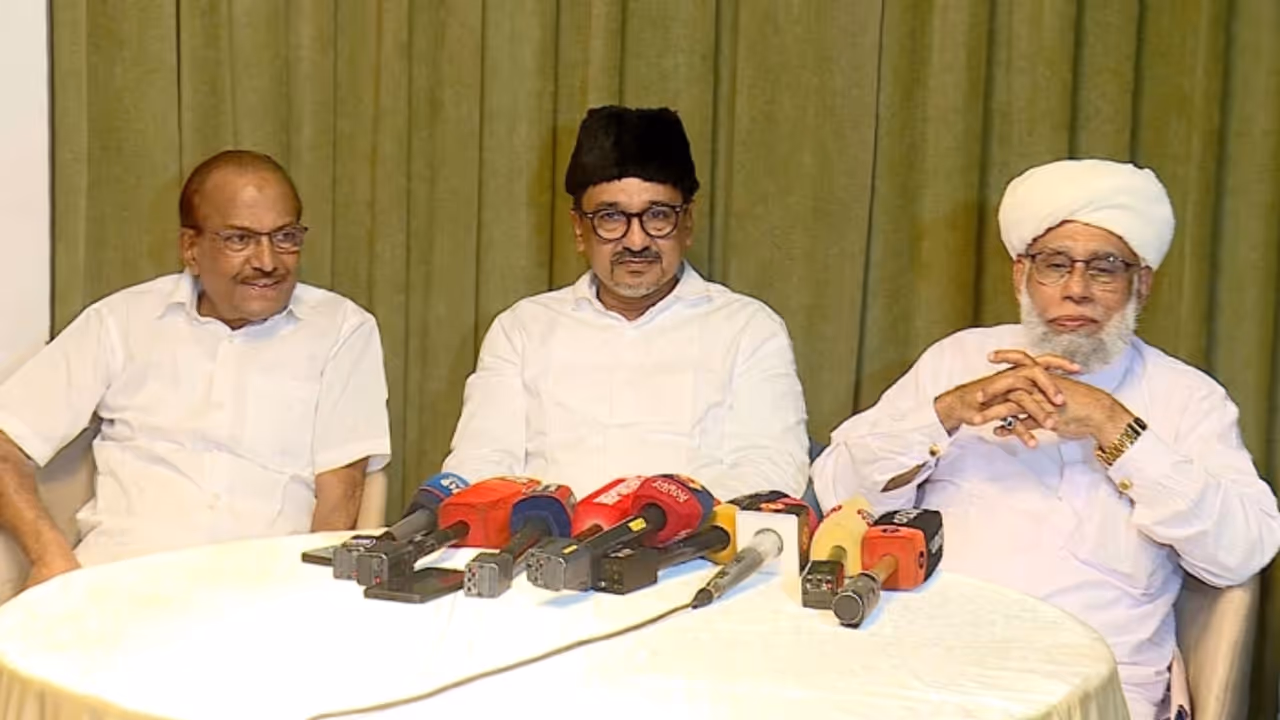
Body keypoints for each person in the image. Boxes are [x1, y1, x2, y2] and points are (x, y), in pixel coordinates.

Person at [812, 158, 1280, 720]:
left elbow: (1242, 552)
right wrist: (950, 412)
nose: (1076, 290)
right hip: (924, 667)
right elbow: (842, 494)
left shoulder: (1187, 399)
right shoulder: (958, 360)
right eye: (1055, 265)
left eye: (1104, 268)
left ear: (1141, 284)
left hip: (1085, 690)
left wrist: (1114, 426)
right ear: (1021, 277)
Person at [0, 149, 392, 588]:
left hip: (259, 588)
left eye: (285, 237)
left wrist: (306, 595)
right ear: (191, 248)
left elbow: (342, 491)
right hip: (118, 581)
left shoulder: (342, 329)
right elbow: (5, 444)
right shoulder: (121, 322)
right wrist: (50, 557)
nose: (267, 261)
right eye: (239, 239)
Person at [444, 105, 809, 502]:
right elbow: (478, 465)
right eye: (611, 217)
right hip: (543, 537)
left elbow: (773, 471)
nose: (636, 241)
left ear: (687, 222)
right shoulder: (522, 329)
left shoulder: (748, 329)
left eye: (658, 215)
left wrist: (661, 518)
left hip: (694, 539)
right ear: (579, 229)